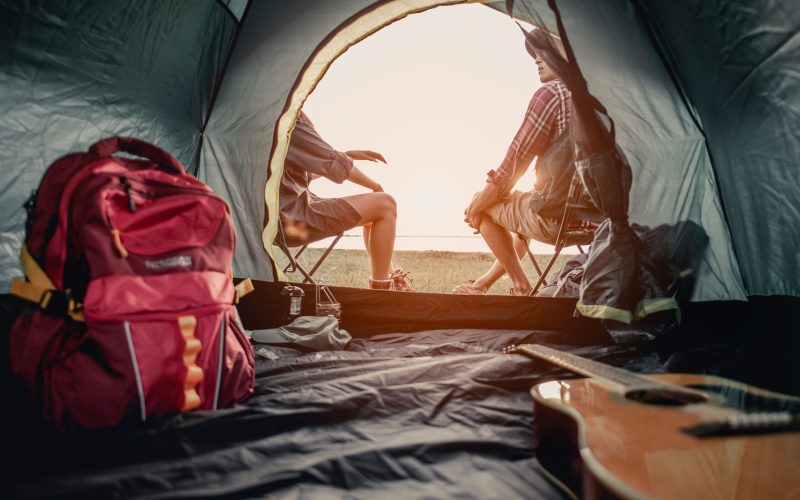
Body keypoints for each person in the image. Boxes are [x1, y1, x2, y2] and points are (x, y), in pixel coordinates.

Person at [453, 29, 572, 296]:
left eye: (545, 51)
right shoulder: (603, 98)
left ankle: (521, 286)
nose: (537, 59)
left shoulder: (552, 95)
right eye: (535, 55)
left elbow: (512, 165)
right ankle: (482, 284)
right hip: (605, 223)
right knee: (523, 203)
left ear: (568, 53)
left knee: (485, 206)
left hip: (559, 217)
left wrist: (476, 207)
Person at [279, 111, 413, 292]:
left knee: (372, 216)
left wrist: (348, 154)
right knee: (386, 204)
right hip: (291, 219)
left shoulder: (264, 123)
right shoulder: (288, 119)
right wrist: (376, 186)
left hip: (278, 220)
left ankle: (390, 280)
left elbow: (310, 170)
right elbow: (332, 162)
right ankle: (382, 294)